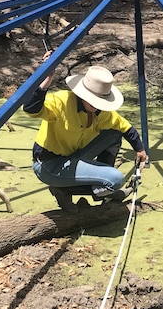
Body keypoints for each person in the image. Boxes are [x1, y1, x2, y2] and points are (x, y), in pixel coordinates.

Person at [23, 62, 148, 212]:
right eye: (95, 100)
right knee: (116, 179)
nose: (98, 105)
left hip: (73, 156)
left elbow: (125, 128)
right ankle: (64, 190)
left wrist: (139, 149)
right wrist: (47, 78)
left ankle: (100, 189)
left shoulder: (101, 111)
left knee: (113, 135)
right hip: (50, 164)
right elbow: (31, 108)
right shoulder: (62, 101)